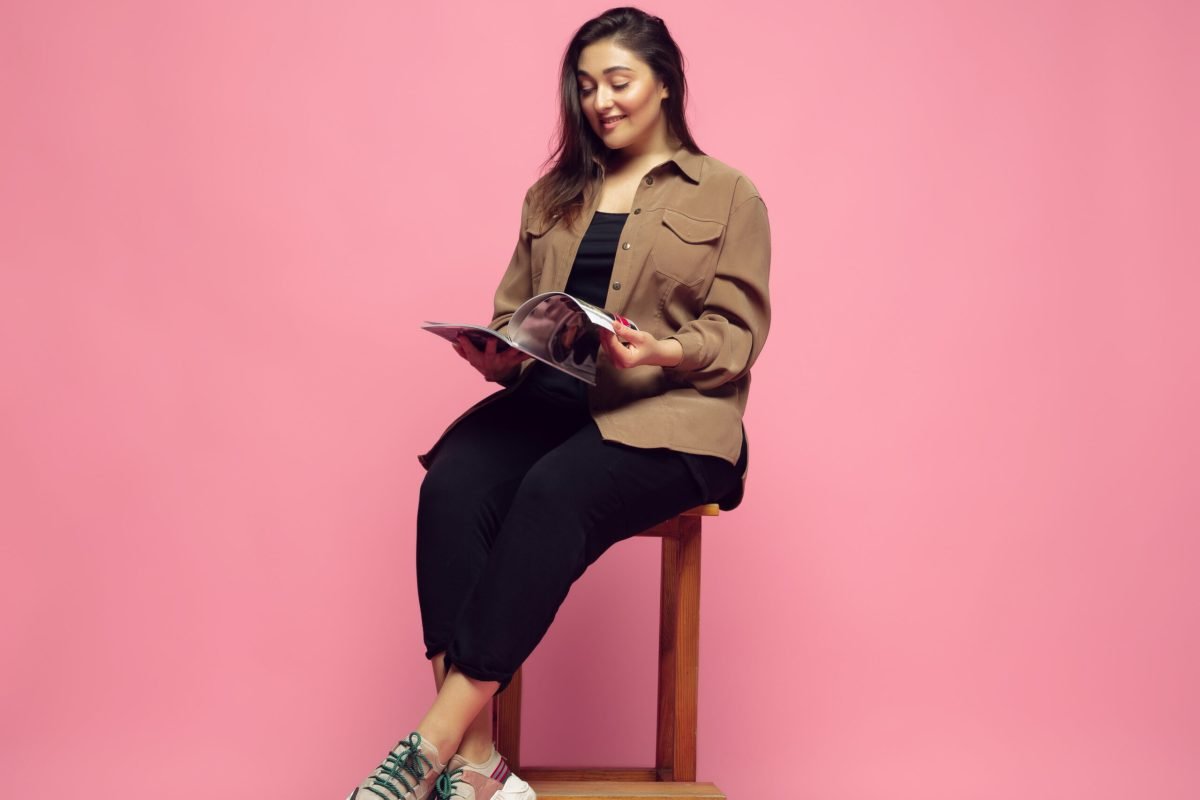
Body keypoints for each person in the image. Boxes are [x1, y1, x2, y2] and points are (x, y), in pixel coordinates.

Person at [347, 7, 771, 800]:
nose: (601, 101)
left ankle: (427, 749)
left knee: (554, 490)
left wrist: (664, 349)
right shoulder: (551, 194)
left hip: (674, 415)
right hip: (551, 404)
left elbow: (737, 333)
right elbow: (518, 310)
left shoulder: (728, 194)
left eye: (618, 81)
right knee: (452, 484)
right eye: (586, 87)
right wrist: (500, 358)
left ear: (665, 84)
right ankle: (475, 764)